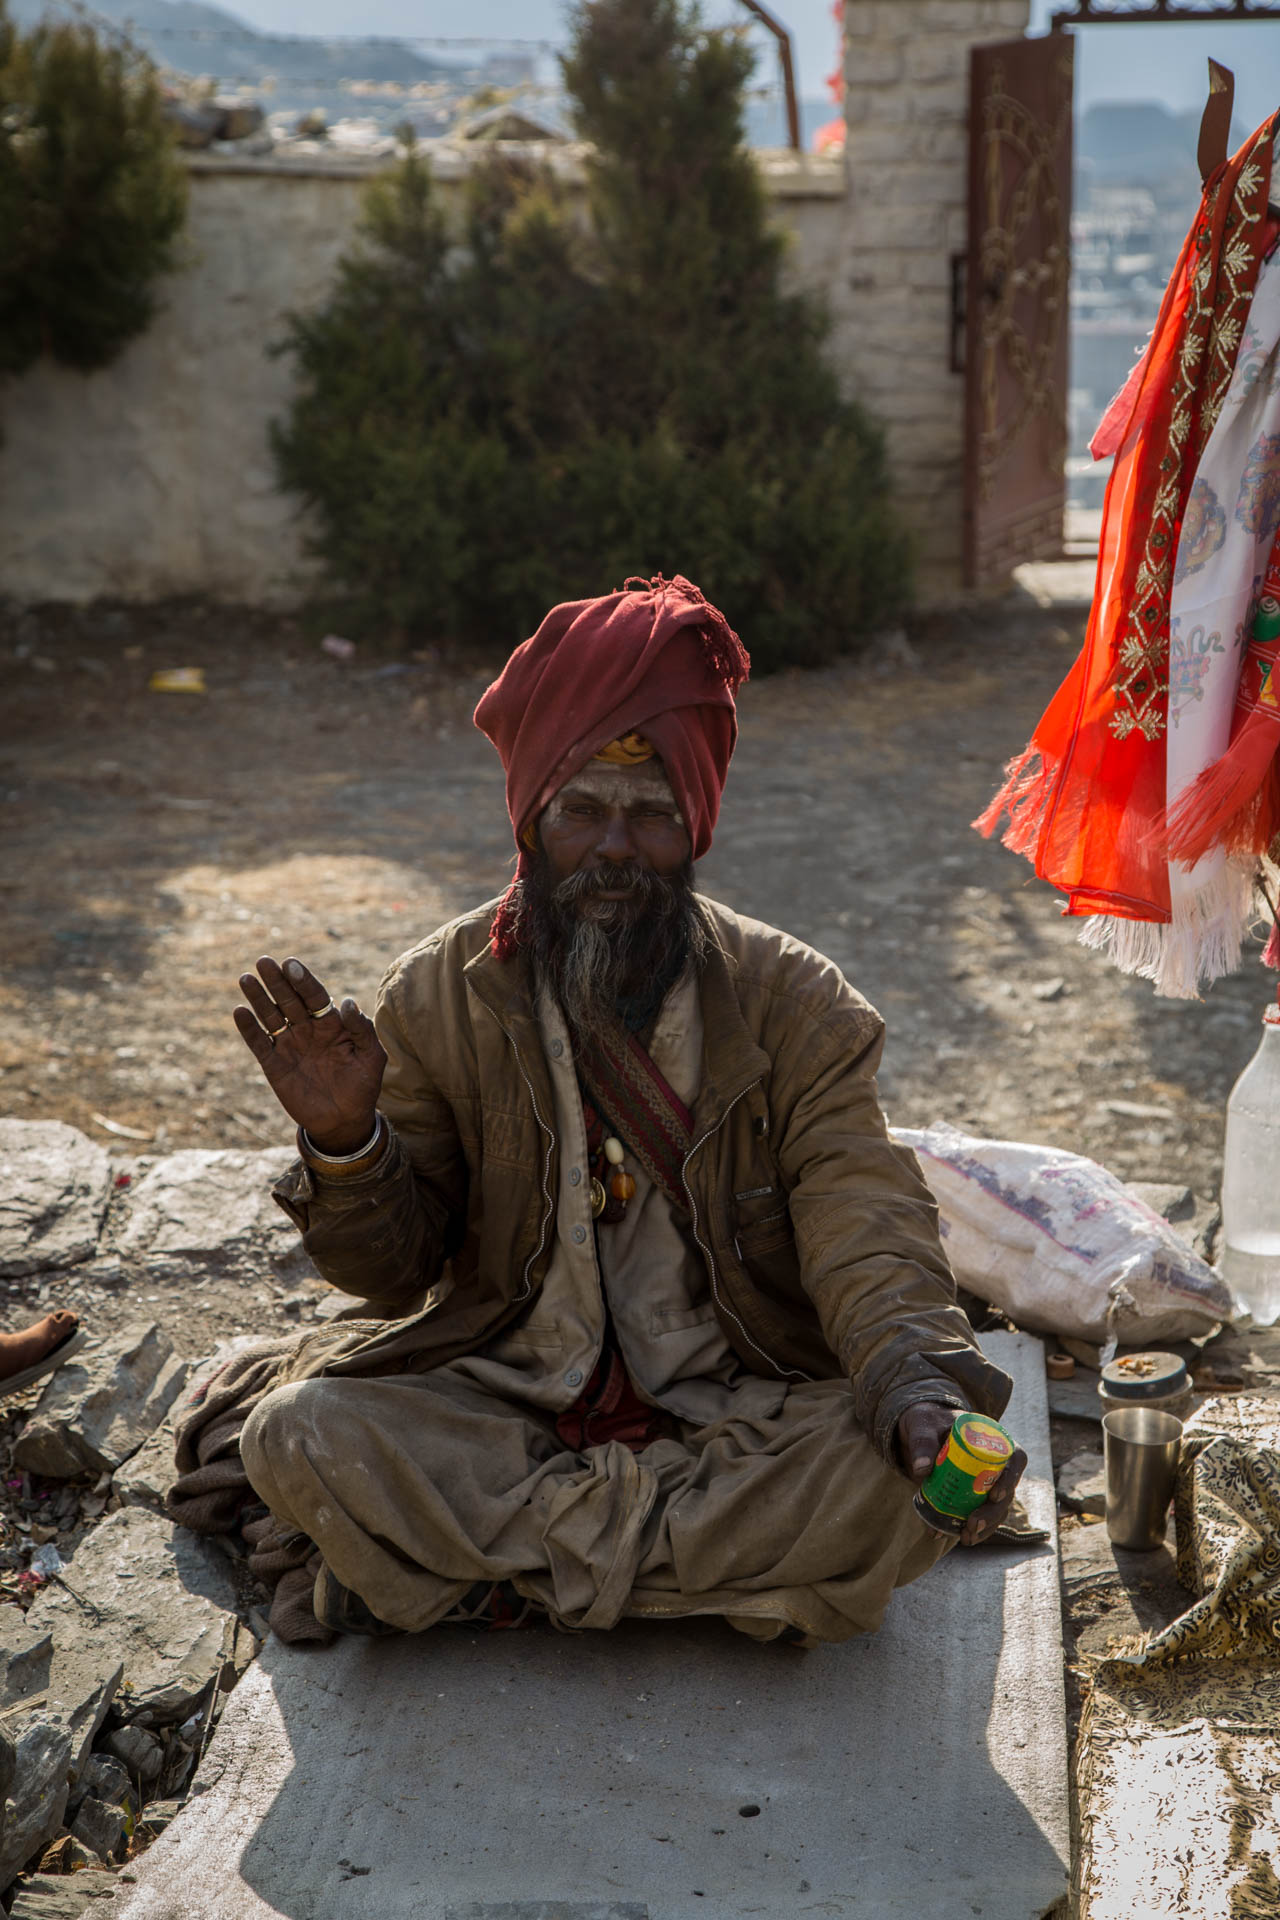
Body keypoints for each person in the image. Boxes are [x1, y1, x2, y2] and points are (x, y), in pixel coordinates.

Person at [218, 575, 1024, 1645]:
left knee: (893, 1476)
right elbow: (393, 1273)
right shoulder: (437, 993)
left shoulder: (795, 1002)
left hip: (737, 1406)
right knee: (297, 1433)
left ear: (692, 830)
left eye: (649, 818)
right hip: (512, 1403)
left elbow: (862, 1216)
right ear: (530, 821)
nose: (612, 849)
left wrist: (910, 1380)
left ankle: (485, 1583)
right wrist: (345, 1145)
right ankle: (724, 1587)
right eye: (581, 813)